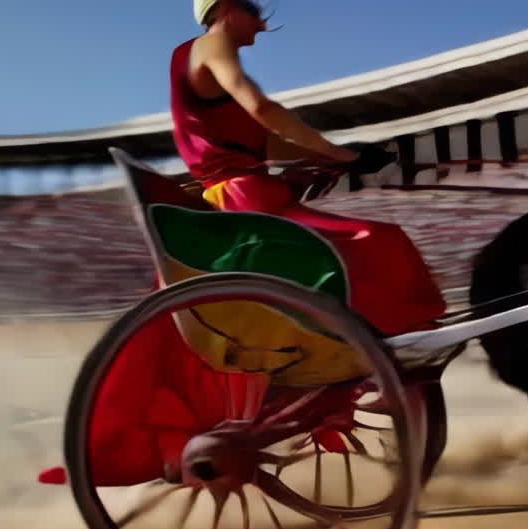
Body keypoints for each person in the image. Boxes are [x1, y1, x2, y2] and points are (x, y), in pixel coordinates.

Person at [171, 0, 445, 335]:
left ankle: (390, 331)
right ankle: (405, 332)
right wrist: (341, 155)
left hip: (244, 196)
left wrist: (332, 156)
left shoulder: (196, 66)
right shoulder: (213, 43)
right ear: (228, 8)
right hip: (246, 202)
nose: (261, 25)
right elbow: (263, 108)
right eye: (254, 12)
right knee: (379, 239)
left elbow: (265, 145)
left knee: (376, 240)